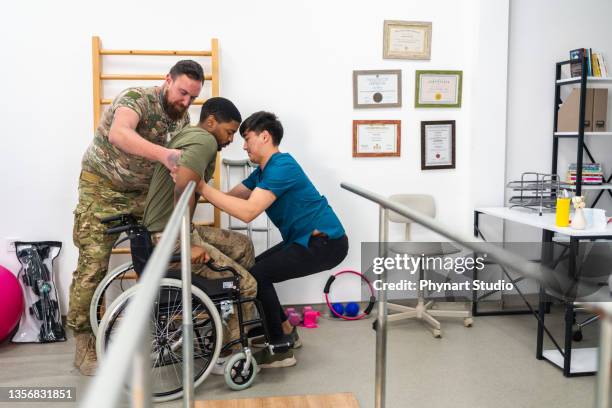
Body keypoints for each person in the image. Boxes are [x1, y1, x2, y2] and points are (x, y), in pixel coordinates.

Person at [68, 60, 204, 375]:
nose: (185, 102)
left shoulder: (180, 118)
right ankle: (83, 342)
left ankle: (170, 322)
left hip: (143, 195)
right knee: (92, 267)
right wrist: (165, 155)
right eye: (182, 92)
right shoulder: (136, 98)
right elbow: (119, 134)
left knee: (172, 247)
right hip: (100, 191)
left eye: (192, 98)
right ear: (167, 80)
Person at [196, 111, 349, 368]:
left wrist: (201, 187)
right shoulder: (262, 172)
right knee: (254, 272)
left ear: (264, 136)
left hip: (326, 244)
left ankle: (280, 350)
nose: (243, 145)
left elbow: (247, 212)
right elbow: (230, 199)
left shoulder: (283, 166)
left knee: (257, 276)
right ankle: (287, 331)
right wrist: (196, 189)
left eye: (247, 138)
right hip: (303, 240)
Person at [141, 97, 257, 374]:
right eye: (229, 132)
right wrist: (186, 242)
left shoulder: (191, 135)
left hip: (175, 228)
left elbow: (191, 188)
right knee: (248, 285)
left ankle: (224, 316)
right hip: (169, 235)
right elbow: (183, 188)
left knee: (242, 246)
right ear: (211, 122)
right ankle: (224, 353)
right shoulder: (204, 140)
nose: (230, 139)